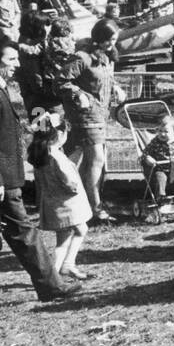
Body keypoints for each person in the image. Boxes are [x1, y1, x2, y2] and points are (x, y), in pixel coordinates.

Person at [0, 36, 78, 309]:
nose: (17, 65)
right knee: (24, 234)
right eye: (11, 59)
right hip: (0, 180)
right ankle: (51, 287)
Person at [60, 19, 122, 223]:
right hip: (85, 115)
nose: (112, 43)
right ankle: (96, 209)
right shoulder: (82, 57)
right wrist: (78, 92)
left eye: (114, 38)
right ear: (99, 38)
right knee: (96, 159)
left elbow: (105, 78)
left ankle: (84, 203)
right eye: (108, 39)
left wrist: (116, 87)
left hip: (100, 114)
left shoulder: (107, 56)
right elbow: (60, 81)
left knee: (86, 160)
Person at [29, 112, 93, 280]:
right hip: (66, 204)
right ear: (59, 134)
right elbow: (68, 181)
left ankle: (67, 265)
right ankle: (53, 276)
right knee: (64, 240)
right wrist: (77, 186)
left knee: (79, 230)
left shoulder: (42, 154)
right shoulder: (56, 156)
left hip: (52, 203)